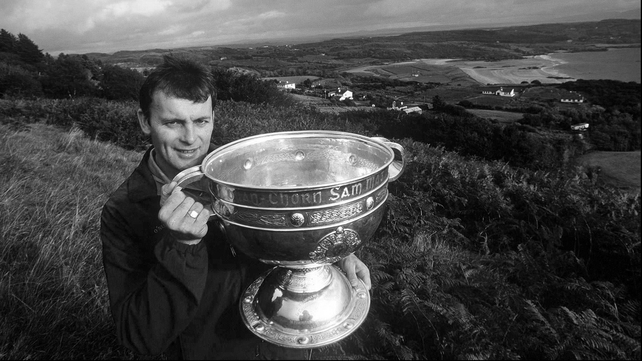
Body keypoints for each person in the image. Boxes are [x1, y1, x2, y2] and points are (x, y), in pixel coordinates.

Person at [100, 55, 372, 360]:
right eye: (173, 122)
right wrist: (181, 248)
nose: (190, 138)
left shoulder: (249, 171)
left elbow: (294, 223)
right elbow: (138, 337)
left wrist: (337, 253)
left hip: (282, 348)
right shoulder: (123, 211)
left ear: (214, 117)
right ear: (144, 121)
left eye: (201, 121)